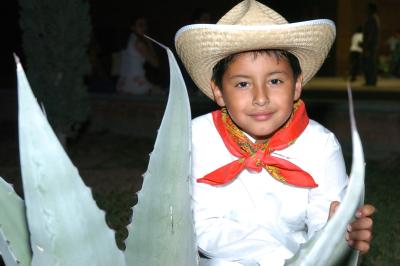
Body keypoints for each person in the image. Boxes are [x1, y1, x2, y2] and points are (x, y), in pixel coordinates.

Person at [174, 1, 375, 265]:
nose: (261, 97)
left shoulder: (320, 144)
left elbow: (324, 220)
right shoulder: (196, 138)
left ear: (297, 85)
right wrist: (277, 257)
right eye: (243, 83)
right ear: (219, 92)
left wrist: (339, 231)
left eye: (275, 81)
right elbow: (203, 225)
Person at [117, 16, 160, 95]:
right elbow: (155, 63)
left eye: (145, 25)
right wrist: (150, 43)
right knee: (162, 93)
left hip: (122, 83)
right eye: (140, 25)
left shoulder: (128, 41)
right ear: (133, 27)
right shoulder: (139, 43)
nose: (144, 28)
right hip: (136, 83)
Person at [362, 2, 380, 86]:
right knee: (371, 63)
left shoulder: (372, 19)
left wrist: (366, 45)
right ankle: (371, 81)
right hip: (372, 46)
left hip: (370, 46)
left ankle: (370, 81)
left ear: (371, 9)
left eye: (367, 8)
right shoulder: (374, 18)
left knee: (369, 64)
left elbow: (371, 34)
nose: (366, 10)